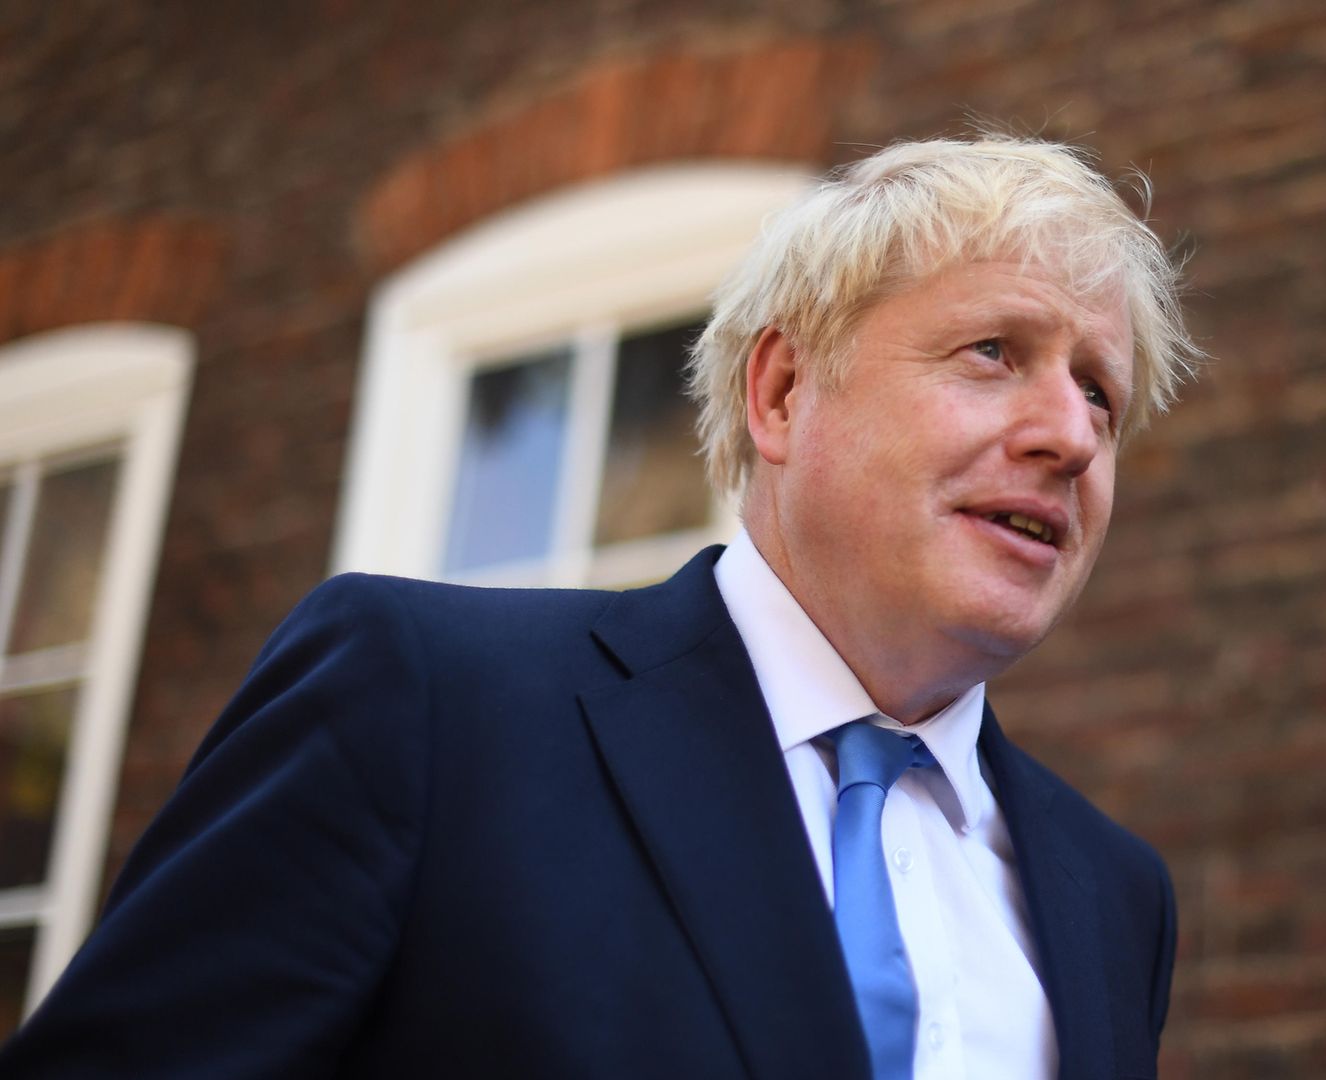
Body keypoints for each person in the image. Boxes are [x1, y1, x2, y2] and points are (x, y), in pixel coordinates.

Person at [0, 134, 1201, 1079]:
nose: (1069, 436)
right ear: (782, 392)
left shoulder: (1116, 894)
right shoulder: (420, 702)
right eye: (995, 351)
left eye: (1102, 393)